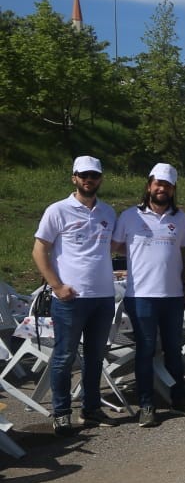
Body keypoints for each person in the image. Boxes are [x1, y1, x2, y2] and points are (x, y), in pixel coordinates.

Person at [32, 156, 118, 435]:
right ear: (74, 178)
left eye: (93, 175)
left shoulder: (108, 212)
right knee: (64, 357)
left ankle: (91, 409)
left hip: (103, 296)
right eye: (83, 175)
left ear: (100, 179)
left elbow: (113, 247)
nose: (88, 180)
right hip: (70, 298)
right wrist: (57, 285)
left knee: (95, 357)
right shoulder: (58, 210)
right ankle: (61, 412)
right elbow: (39, 250)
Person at [111, 163, 185, 426]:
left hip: (173, 296)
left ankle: (178, 399)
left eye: (167, 185)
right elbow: (116, 246)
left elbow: (181, 252)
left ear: (173, 189)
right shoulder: (129, 216)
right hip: (141, 295)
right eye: (158, 183)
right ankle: (147, 404)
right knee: (145, 350)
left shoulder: (180, 218)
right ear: (149, 186)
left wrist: (184, 285)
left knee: (173, 349)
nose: (162, 188)